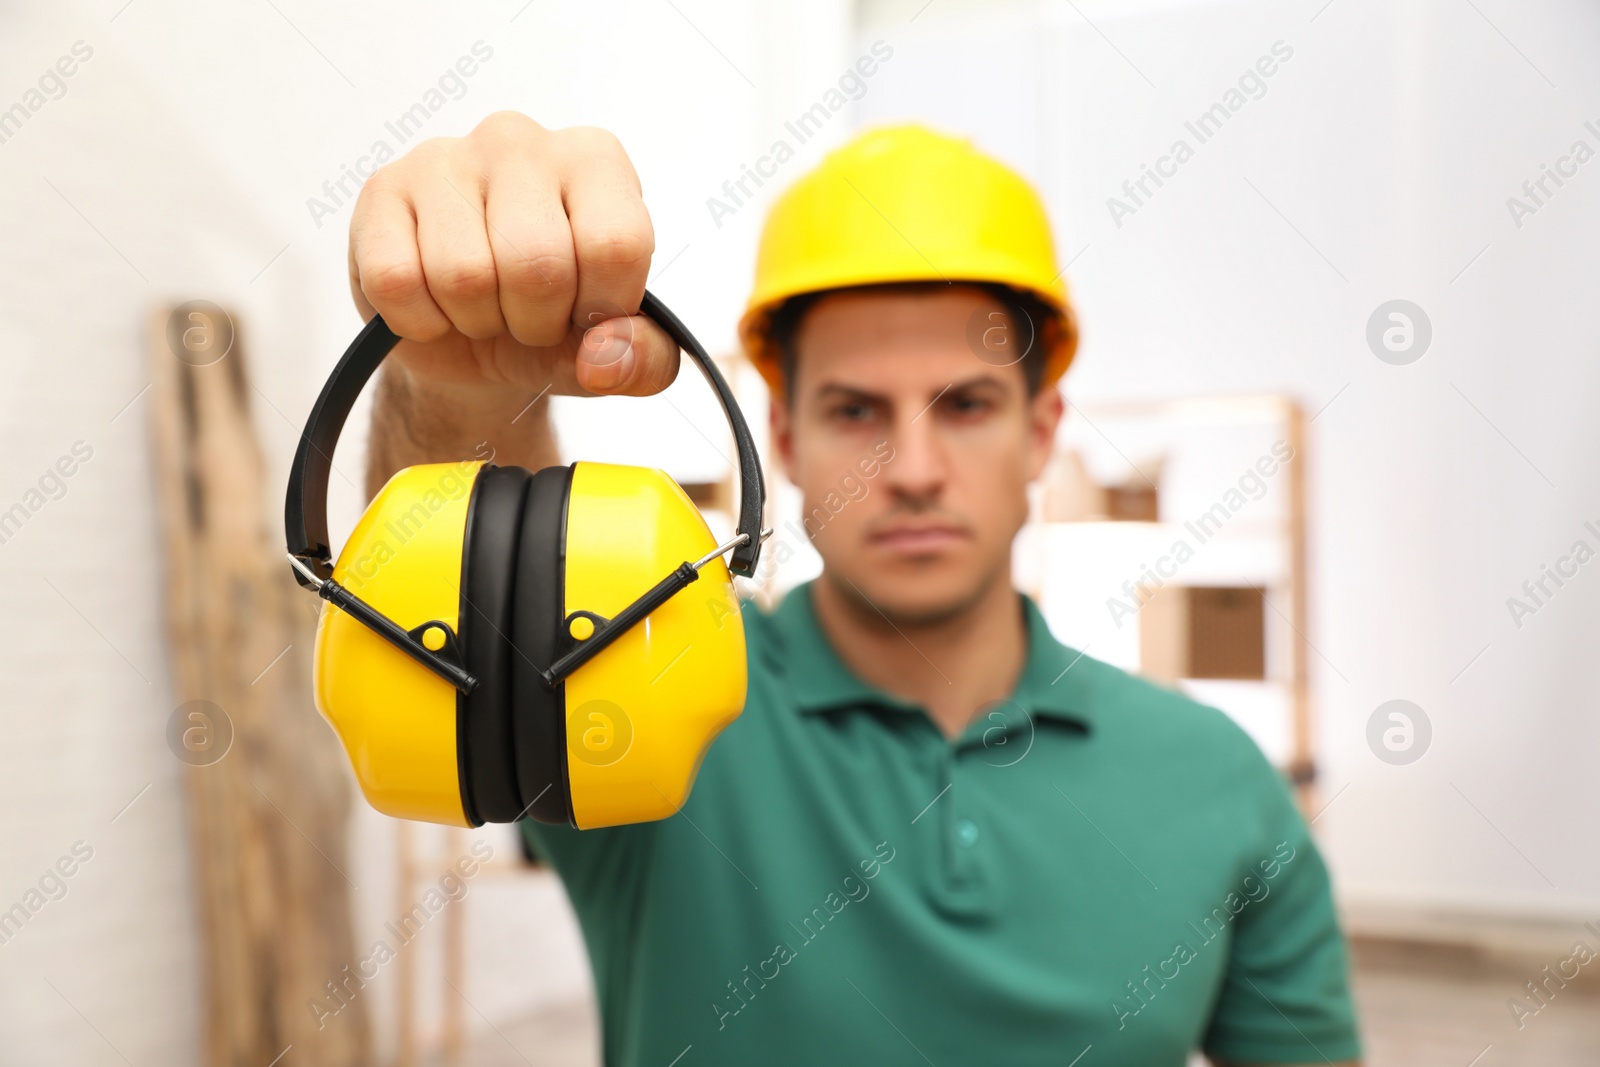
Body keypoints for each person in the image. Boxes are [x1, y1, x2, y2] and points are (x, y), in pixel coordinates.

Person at [349, 111, 1363, 1067]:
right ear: (783, 436)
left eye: (965, 404)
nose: (914, 467)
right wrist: (458, 389)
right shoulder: (661, 702)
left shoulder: (1214, 778)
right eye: (855, 409)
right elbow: (473, 641)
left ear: (1042, 431)